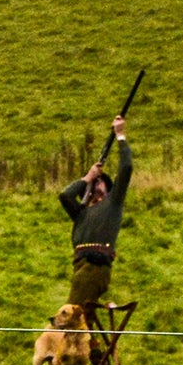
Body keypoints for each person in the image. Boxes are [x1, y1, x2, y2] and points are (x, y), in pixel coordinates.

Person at [59, 115, 133, 319]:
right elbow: (65, 195)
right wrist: (87, 178)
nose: (96, 184)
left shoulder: (112, 204)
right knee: (80, 317)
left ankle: (74, 350)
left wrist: (120, 136)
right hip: (80, 267)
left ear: (107, 189)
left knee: (71, 317)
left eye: (100, 181)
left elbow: (126, 168)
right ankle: (92, 349)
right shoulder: (81, 213)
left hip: (95, 267)